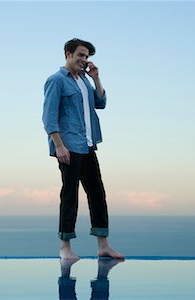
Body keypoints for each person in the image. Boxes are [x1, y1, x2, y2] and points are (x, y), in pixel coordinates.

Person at [42, 38, 124, 260]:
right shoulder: (56, 80)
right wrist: (59, 146)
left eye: (87, 56)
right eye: (80, 55)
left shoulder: (85, 81)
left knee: (97, 193)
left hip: (88, 145)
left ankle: (103, 245)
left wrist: (96, 78)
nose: (84, 60)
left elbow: (101, 103)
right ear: (68, 54)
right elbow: (48, 118)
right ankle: (65, 248)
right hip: (69, 146)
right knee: (70, 195)